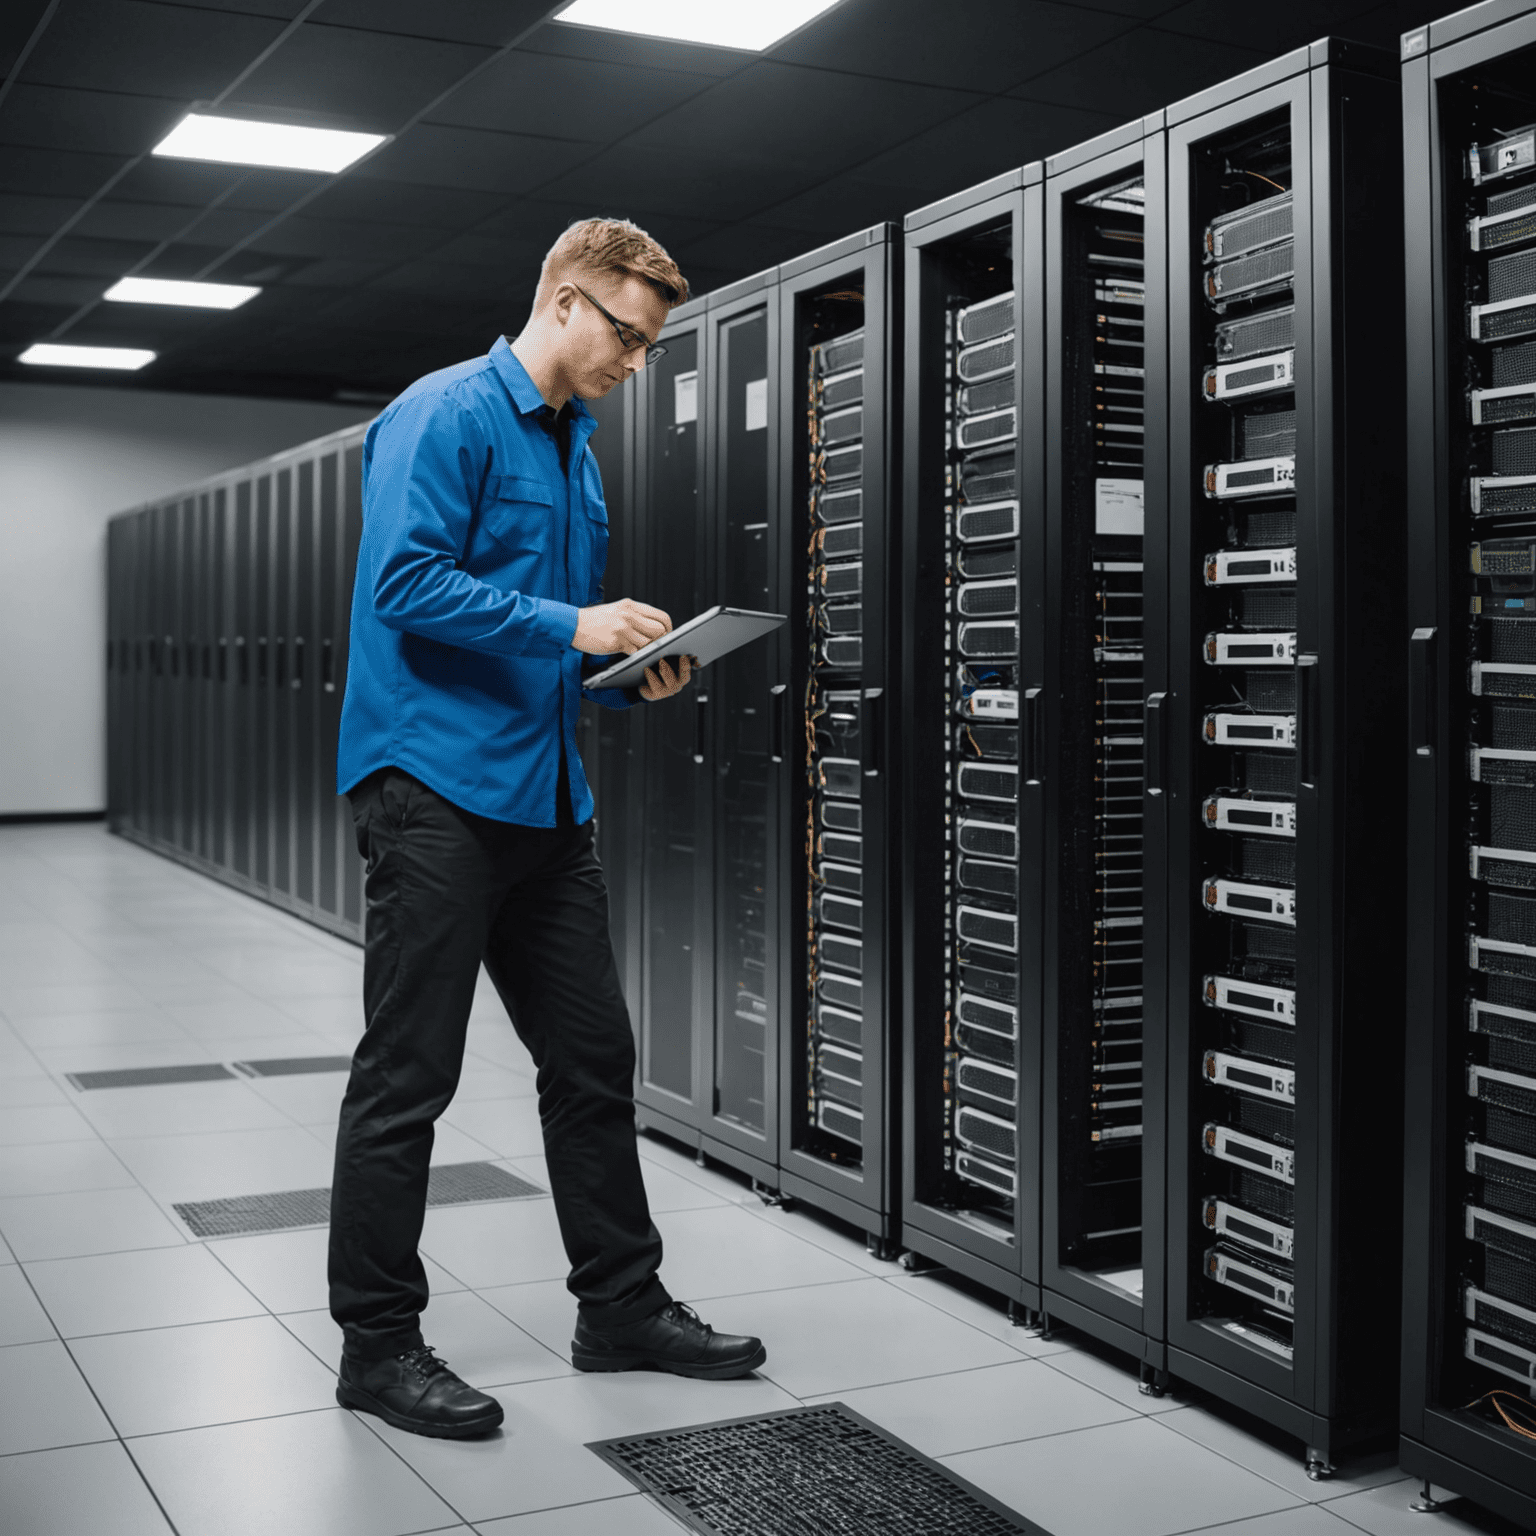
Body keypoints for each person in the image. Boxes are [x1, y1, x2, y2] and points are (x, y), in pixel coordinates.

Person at [327, 218, 765, 1439]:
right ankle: (377, 1343)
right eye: (628, 335)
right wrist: (575, 625)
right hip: (434, 793)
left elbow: (536, 641)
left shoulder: (580, 454)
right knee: (408, 1074)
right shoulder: (445, 413)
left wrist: (627, 670)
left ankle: (618, 1306)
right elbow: (406, 586)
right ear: (566, 303)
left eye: (650, 344)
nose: (638, 361)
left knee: (592, 1062)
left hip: (545, 798)